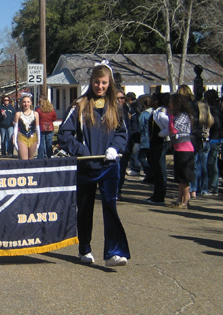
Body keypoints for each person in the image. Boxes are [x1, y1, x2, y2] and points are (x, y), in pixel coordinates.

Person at [58, 63, 129, 267]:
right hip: (87, 166)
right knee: (85, 208)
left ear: (110, 83)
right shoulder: (79, 105)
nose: (100, 86)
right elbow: (64, 134)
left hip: (109, 166)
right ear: (91, 82)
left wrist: (115, 148)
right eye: (97, 82)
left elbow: (122, 133)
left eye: (104, 83)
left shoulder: (116, 106)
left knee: (110, 207)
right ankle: (85, 249)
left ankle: (113, 253)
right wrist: (82, 151)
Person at [168, 93, 195, 209]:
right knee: (179, 178)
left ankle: (186, 201)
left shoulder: (183, 116)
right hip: (178, 148)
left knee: (185, 177)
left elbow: (173, 130)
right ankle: (179, 199)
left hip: (185, 150)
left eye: (171, 102)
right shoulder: (177, 115)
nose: (169, 105)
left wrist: (171, 117)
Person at [146, 92, 171, 205]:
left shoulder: (161, 113)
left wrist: (161, 134)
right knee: (156, 169)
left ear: (156, 101)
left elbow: (169, 126)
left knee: (160, 170)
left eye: (152, 98)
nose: (149, 100)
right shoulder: (155, 112)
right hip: (154, 143)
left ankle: (160, 196)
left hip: (160, 143)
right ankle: (156, 194)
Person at [204, 89, 223, 196]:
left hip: (215, 139)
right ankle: (212, 185)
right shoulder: (216, 108)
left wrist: (211, 134)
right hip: (216, 138)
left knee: (212, 163)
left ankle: (214, 186)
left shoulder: (214, 109)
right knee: (212, 162)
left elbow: (216, 124)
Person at [13, 93, 40, 160]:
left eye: (28, 102)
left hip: (33, 137)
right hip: (22, 137)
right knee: (24, 160)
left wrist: (39, 140)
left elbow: (37, 128)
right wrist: (15, 140)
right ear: (22, 103)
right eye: (24, 102)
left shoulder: (35, 114)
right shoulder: (18, 114)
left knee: (31, 160)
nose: (26, 104)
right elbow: (16, 128)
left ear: (31, 103)